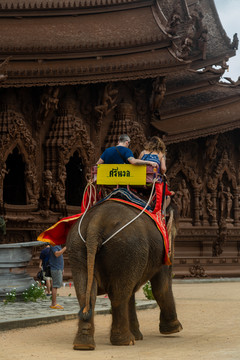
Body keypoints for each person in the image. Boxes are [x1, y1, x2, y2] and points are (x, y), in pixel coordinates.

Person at [49, 244, 67, 309]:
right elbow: (57, 254)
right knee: (55, 286)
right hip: (55, 268)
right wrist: (65, 248)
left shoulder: (58, 246)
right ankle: (54, 303)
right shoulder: (53, 245)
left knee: (56, 285)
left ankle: (54, 302)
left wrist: (62, 268)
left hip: (59, 268)